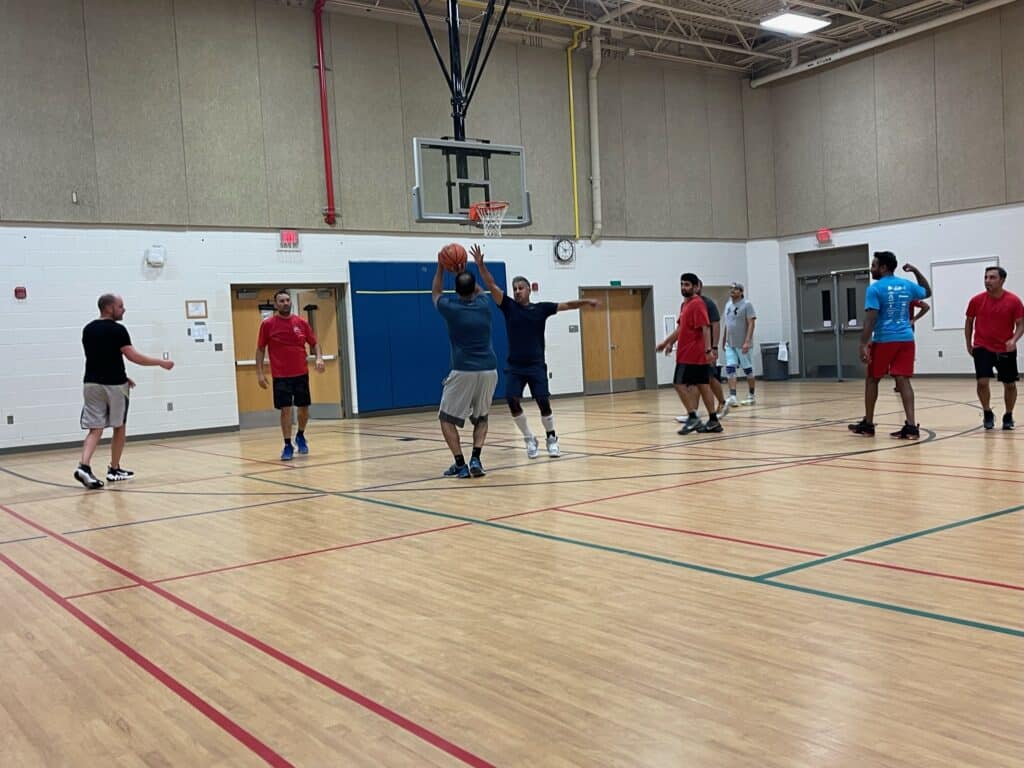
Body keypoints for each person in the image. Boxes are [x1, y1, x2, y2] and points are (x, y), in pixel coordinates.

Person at [472, 245, 598, 458]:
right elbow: (492, 285)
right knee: (512, 400)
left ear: (529, 290)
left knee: (542, 401)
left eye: (521, 288)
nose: (517, 291)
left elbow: (567, 304)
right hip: (515, 366)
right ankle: (529, 438)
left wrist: (586, 301)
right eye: (515, 288)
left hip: (536, 365)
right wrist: (481, 266)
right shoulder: (509, 307)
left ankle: (551, 437)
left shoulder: (541, 309)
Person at [75, 294, 174, 489]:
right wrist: (160, 362)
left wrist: (121, 374)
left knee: (95, 429)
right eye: (120, 306)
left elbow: (99, 356)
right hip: (114, 385)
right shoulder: (118, 330)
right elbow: (133, 356)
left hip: (91, 384)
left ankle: (84, 466)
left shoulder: (88, 329)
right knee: (119, 426)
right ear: (109, 308)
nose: (124, 309)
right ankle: (114, 469)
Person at [848, 252, 931, 439]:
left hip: (885, 340)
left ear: (883, 267)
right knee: (903, 380)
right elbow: (927, 291)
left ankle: (868, 424)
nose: (871, 269)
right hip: (907, 339)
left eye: (874, 265)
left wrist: (863, 344)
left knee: (872, 379)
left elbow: (871, 319)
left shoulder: (875, 289)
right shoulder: (907, 285)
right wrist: (916, 271)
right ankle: (911, 427)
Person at [433, 257, 499, 477]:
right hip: (489, 369)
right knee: (482, 418)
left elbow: (436, 293)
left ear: (456, 290)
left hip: (464, 370)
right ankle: (476, 460)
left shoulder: (451, 309)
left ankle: (460, 464)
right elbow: (478, 290)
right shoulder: (483, 305)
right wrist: (464, 271)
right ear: (474, 288)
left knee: (446, 418)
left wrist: (442, 267)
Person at [256, 289, 324, 461]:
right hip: (281, 376)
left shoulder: (301, 322)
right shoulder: (268, 324)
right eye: (281, 301)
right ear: (276, 304)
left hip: (301, 373)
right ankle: (287, 444)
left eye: (287, 300)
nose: (285, 303)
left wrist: (319, 358)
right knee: (285, 410)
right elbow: (260, 349)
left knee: (303, 408)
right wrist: (260, 373)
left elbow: (314, 343)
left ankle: (300, 435)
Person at [657, 273, 720, 435]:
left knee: (679, 383)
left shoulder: (698, 304)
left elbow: (706, 327)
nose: (684, 287)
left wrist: (708, 350)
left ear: (695, 286)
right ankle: (713, 421)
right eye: (682, 284)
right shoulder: (685, 305)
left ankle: (693, 417)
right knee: (702, 384)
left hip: (692, 353)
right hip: (687, 352)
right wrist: (667, 342)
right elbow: (681, 329)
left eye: (687, 285)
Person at [965, 266, 1024, 430]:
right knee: (982, 382)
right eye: (986, 277)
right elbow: (969, 322)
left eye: (992, 278)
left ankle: (1008, 415)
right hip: (982, 346)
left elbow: (1020, 324)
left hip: (1005, 348)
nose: (987, 281)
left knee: (1010, 384)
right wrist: (968, 343)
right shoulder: (976, 300)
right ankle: (987, 412)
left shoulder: (1014, 301)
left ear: (1002, 280)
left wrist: (1014, 339)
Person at [721, 283, 757, 407]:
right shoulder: (727, 305)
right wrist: (724, 339)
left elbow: (751, 323)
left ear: (741, 292)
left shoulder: (747, 305)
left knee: (747, 369)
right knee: (730, 368)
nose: (732, 291)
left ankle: (751, 395)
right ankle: (733, 396)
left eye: (735, 289)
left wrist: (747, 341)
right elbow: (727, 324)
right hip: (730, 343)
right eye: (731, 289)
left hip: (742, 344)